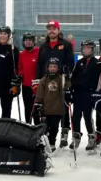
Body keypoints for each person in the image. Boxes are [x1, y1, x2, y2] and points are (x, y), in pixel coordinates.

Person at [34, 20, 74, 148]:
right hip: (47, 79)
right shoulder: (43, 46)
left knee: (62, 105)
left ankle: (65, 131)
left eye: (54, 28)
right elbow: (40, 64)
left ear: (58, 30)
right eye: (49, 28)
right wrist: (37, 80)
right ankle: (47, 135)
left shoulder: (66, 45)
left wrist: (68, 73)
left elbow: (70, 62)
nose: (51, 31)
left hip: (61, 79)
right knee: (48, 106)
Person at [68, 40, 101, 154]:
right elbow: (73, 77)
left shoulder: (97, 63)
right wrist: (71, 89)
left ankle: (91, 138)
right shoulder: (79, 62)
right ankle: (76, 136)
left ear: (92, 49)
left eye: (89, 48)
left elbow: (99, 80)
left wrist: (96, 93)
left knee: (87, 117)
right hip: (78, 93)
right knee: (76, 117)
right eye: (84, 48)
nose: (86, 50)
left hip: (89, 93)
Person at [34, 57, 71, 152]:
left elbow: (67, 87)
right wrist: (38, 103)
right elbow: (40, 93)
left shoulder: (61, 78)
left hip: (58, 109)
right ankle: (44, 142)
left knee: (54, 127)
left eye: (54, 66)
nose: (52, 68)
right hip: (46, 109)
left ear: (58, 68)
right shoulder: (44, 80)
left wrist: (67, 77)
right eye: (50, 66)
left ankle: (52, 143)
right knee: (45, 127)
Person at [18, 32, 40, 123]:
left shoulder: (39, 51)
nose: (28, 42)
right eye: (26, 40)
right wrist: (20, 75)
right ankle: (28, 125)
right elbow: (20, 68)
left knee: (37, 108)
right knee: (27, 107)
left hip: (38, 85)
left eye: (30, 40)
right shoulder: (22, 54)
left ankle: (38, 126)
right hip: (26, 85)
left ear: (34, 42)